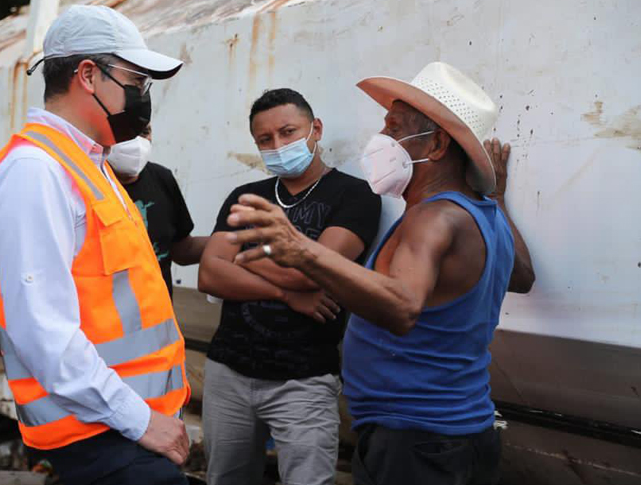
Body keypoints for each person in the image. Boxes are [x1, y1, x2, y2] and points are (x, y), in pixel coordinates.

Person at [222, 62, 535, 485]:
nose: (381, 139)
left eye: (393, 127)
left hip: (417, 441)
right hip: (456, 431)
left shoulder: (434, 217)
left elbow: (403, 305)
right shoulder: (482, 213)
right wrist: (495, 196)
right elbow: (522, 275)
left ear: (438, 144)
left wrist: (300, 250)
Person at [0, 6, 190, 485]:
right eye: (135, 79)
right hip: (106, 437)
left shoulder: (91, 165)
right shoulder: (36, 171)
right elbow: (43, 329)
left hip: (126, 432)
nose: (142, 95)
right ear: (88, 75)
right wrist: (141, 420)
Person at [198, 88, 381, 485]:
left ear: (315, 129)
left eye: (288, 132)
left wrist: (247, 255)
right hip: (228, 371)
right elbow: (209, 274)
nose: (278, 145)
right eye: (266, 140)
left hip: (304, 380)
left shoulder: (356, 195)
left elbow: (311, 273)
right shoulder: (247, 197)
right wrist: (286, 293)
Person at [108, 124, 208, 296]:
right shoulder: (87, 183)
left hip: (156, 315)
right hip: (104, 315)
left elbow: (181, 249)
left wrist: (233, 240)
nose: (136, 142)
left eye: (144, 132)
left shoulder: (162, 178)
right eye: (124, 132)